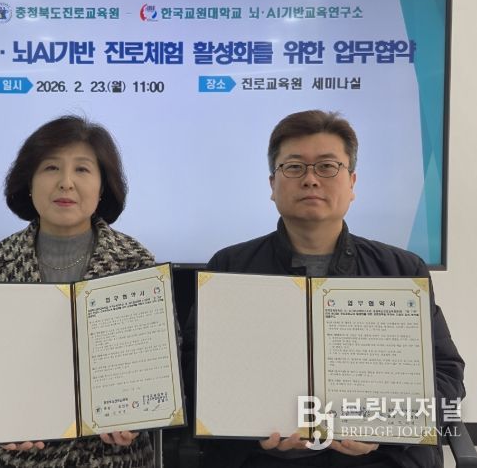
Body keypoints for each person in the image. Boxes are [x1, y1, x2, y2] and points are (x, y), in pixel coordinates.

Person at [183, 109, 465, 468]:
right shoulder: (229, 268)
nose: (311, 180)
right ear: (272, 184)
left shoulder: (400, 271)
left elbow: (446, 373)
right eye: (294, 167)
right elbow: (196, 371)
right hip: (264, 458)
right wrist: (251, 432)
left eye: (327, 167)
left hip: (380, 459)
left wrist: (384, 431)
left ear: (352, 182)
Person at [0, 115, 156, 468]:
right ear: (29, 183)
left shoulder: (135, 265)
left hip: (106, 456)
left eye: (82, 169)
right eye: (51, 168)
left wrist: (138, 418)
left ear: (102, 187)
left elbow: (159, 372)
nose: (66, 183)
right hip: (6, 455)